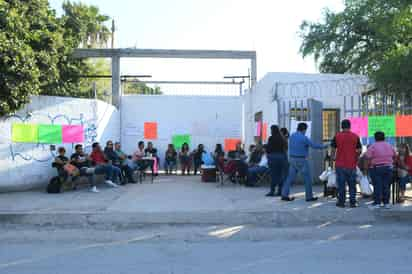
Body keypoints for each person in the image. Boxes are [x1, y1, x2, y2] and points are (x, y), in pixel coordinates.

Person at [281, 122, 328, 202]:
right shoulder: (304, 138)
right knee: (307, 179)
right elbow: (314, 146)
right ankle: (309, 197)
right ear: (304, 129)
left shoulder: (292, 136)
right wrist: (325, 146)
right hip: (301, 160)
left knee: (289, 178)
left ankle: (284, 195)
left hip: (292, 159)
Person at [331, 119, 362, 208]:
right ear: (350, 126)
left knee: (341, 185)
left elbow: (333, 150)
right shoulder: (355, 136)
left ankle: (341, 202)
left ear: (342, 126)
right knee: (352, 184)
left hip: (340, 164)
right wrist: (356, 156)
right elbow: (359, 150)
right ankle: (353, 202)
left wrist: (333, 159)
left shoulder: (337, 136)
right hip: (351, 164)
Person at [365, 131, 396, 209]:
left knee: (377, 186)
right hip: (388, 168)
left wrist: (366, 168)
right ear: (384, 137)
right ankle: (386, 203)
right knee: (386, 186)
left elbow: (367, 158)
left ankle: (377, 203)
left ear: (375, 138)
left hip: (376, 168)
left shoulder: (373, 146)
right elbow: (395, 156)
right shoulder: (390, 146)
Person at [265, 125, 288, 197]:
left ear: (272, 130)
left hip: (273, 157)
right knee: (281, 174)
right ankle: (280, 191)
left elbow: (269, 149)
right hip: (282, 157)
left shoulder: (271, 138)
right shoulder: (283, 138)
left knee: (273, 175)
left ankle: (272, 191)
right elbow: (286, 148)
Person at [278, 127, 290, 196]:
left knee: (283, 175)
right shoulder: (286, 138)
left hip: (283, 157)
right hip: (285, 157)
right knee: (284, 175)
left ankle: (282, 190)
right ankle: (282, 190)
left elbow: (284, 149)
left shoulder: (283, 139)